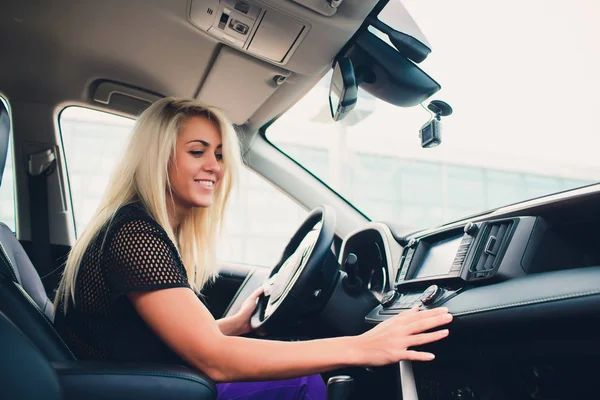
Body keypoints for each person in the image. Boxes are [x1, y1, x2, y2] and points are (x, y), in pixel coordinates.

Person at [53, 97, 452, 400]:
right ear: (158, 158)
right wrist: (362, 347)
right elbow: (213, 359)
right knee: (302, 383)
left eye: (220, 154)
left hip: (142, 380)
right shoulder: (135, 236)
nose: (215, 166)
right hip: (139, 389)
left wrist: (236, 325)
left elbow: (155, 339)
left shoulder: (136, 227)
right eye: (198, 152)